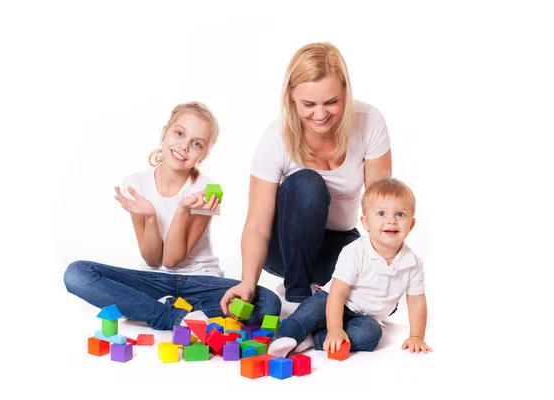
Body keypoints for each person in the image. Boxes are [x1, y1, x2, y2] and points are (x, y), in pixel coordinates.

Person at [63, 101, 281, 330]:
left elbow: (172, 259)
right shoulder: (136, 183)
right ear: (165, 132)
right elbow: (153, 260)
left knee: (268, 303)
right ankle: (174, 316)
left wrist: (183, 209)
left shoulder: (207, 190)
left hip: (201, 281)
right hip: (153, 280)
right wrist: (149, 217)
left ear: (203, 154)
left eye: (196, 143)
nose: (184, 146)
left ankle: (150, 310)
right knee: (76, 274)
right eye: (179, 133)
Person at [220, 42, 392, 313]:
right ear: (291, 96)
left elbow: (382, 206)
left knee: (382, 299)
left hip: (336, 241)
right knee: (307, 184)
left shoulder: (369, 121)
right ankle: (297, 295)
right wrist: (247, 283)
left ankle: (319, 295)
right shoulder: (275, 138)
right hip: (283, 247)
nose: (321, 115)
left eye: (332, 102)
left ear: (346, 92)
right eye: (309, 104)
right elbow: (257, 224)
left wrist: (383, 268)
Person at [266, 178, 431, 357]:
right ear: (366, 222)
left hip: (365, 317)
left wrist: (416, 336)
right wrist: (335, 327)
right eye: (381, 214)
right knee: (309, 312)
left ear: (411, 225)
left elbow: (416, 302)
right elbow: (338, 293)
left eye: (400, 214)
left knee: (371, 335)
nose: (391, 221)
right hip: (333, 300)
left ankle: (312, 340)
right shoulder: (355, 250)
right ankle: (285, 336)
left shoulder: (413, 264)